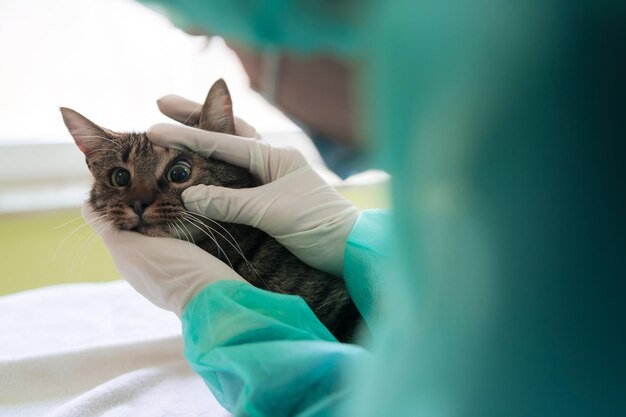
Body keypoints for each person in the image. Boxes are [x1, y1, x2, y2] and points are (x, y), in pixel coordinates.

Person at [85, 0, 626, 416]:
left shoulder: (571, 100)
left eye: (219, 35)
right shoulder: (528, 124)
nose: (250, 76)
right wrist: (351, 236)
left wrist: (216, 313)